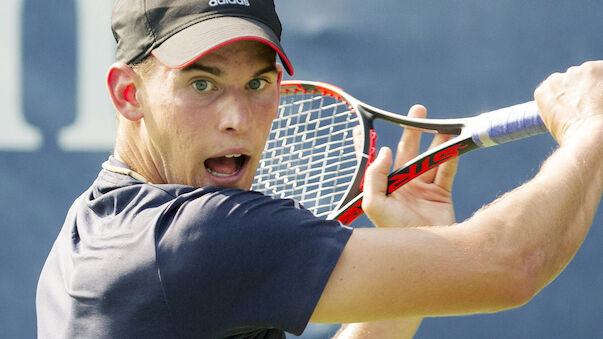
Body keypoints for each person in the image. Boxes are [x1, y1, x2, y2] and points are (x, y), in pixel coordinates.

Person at [36, 0, 603, 338]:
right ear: (128, 94)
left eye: (258, 84)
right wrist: (588, 131)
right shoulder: (193, 237)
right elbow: (509, 265)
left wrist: (422, 246)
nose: (238, 117)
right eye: (201, 83)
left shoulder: (91, 229)